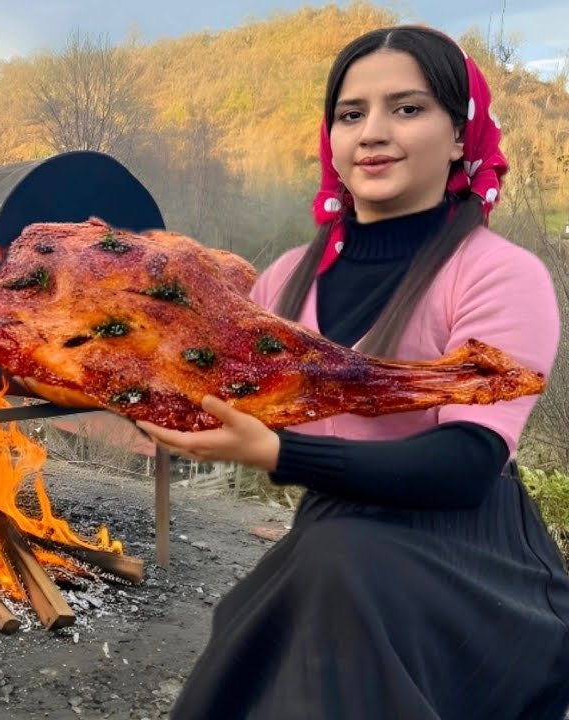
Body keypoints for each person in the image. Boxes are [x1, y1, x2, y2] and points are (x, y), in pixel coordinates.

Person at [140, 26, 569, 719]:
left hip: (469, 558)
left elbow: (466, 462)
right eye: (351, 114)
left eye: (407, 108)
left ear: (461, 136)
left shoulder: (498, 274)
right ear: (331, 139)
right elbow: (214, 388)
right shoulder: (285, 280)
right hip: (336, 542)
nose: (373, 132)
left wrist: (278, 452)